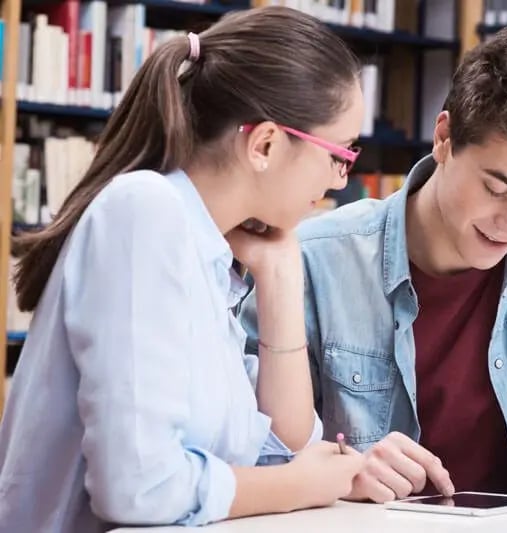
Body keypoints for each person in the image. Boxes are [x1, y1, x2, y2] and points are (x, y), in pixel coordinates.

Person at [240, 26, 507, 503]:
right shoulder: (315, 259)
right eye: (497, 190)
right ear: (444, 138)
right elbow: (252, 450)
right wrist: (344, 474)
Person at [0, 6, 366, 532]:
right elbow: (140, 490)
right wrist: (303, 486)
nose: (339, 180)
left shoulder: (210, 252)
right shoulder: (144, 212)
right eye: (341, 154)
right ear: (264, 144)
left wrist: (281, 277)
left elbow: (282, 452)